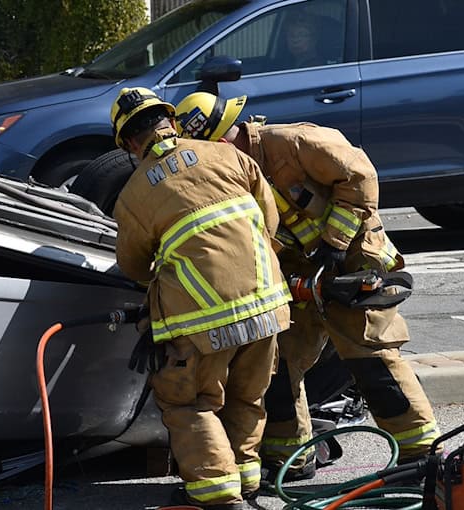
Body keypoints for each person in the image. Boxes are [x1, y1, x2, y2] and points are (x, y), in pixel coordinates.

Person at [173, 91, 440, 482]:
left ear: (231, 132)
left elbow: (361, 176)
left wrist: (333, 245)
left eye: (217, 145)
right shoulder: (233, 173)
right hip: (304, 277)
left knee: (370, 357)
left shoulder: (294, 143)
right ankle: (292, 457)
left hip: (352, 262)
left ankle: (420, 456)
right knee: (277, 361)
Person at [110, 87, 291, 509]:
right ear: (170, 122)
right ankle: (247, 482)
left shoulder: (134, 194)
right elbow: (271, 219)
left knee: (187, 401)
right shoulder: (227, 155)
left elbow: (134, 266)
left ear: (131, 145)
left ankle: (218, 494)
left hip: (201, 322)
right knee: (247, 396)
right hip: (267, 304)